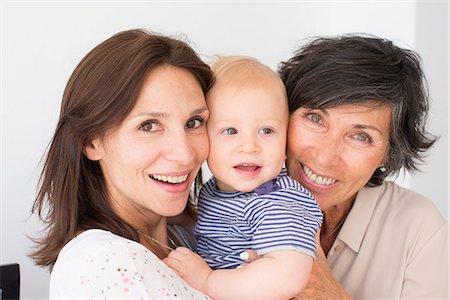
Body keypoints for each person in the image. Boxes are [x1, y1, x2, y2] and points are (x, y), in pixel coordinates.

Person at [31, 29, 213, 299]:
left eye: (194, 122)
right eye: (149, 126)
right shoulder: (111, 263)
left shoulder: (189, 235)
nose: (185, 154)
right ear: (92, 141)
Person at [279, 34, 448, 299]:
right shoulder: (226, 202)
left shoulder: (419, 229)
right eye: (315, 118)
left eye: (361, 137)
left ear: (388, 153)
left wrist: (329, 294)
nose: (324, 158)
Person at [164, 56, 323, 299]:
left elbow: (288, 276)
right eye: (230, 131)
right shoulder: (214, 190)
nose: (249, 146)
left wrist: (208, 280)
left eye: (266, 131)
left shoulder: (276, 202)